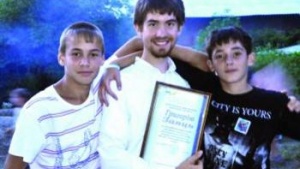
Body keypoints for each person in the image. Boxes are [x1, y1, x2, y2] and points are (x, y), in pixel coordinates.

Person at [100, 26, 300, 169]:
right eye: (220, 55)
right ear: (210, 64)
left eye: (236, 54)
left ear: (251, 58)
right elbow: (144, 48)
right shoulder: (203, 86)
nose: (228, 61)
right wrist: (112, 65)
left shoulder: (275, 102)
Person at [98, 0, 204, 168]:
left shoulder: (184, 87)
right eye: (153, 24)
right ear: (138, 28)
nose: (161, 33)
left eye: (170, 24)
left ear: (180, 28)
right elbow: (110, 154)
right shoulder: (119, 83)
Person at [4, 21, 105, 169]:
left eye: (93, 54)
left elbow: (140, 44)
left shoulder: (100, 88)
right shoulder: (38, 111)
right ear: (61, 58)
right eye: (76, 54)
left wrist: (114, 66)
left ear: (102, 59)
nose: (85, 62)